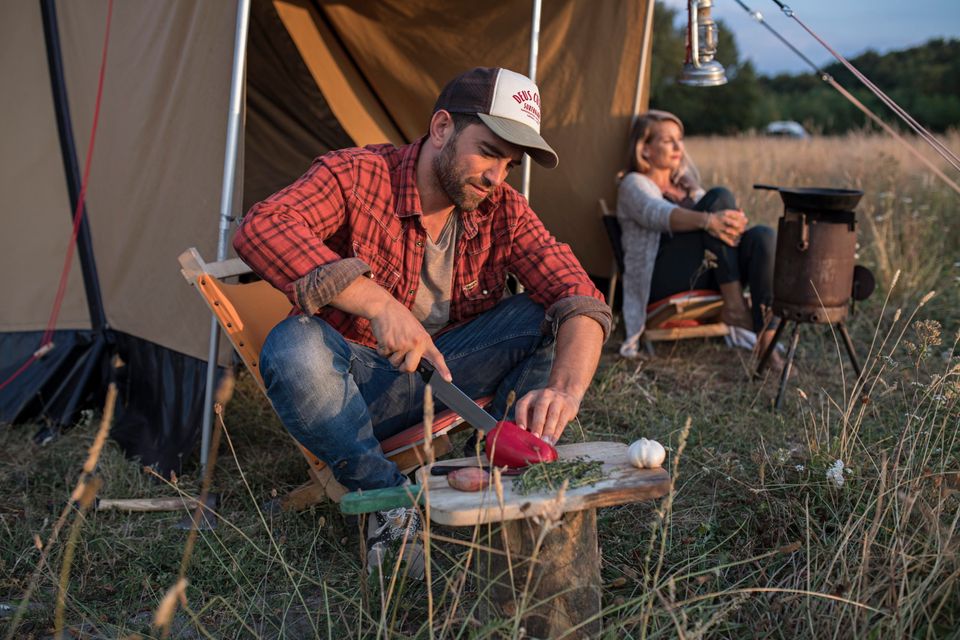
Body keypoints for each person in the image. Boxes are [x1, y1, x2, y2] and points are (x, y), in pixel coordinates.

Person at [233, 67, 610, 576]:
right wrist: (378, 303)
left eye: (509, 163)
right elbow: (262, 226)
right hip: (358, 388)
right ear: (441, 129)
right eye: (489, 151)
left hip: (447, 375)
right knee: (293, 347)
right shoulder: (358, 174)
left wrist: (565, 391)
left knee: (543, 314)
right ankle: (388, 499)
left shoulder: (504, 208)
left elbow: (579, 294)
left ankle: (500, 474)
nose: (496, 175)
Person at [615, 109, 778, 362]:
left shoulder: (686, 184)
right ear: (644, 148)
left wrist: (732, 221)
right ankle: (735, 305)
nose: (678, 146)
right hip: (661, 280)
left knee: (762, 236)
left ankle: (767, 341)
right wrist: (710, 220)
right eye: (668, 140)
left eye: (679, 139)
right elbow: (657, 213)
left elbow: (719, 223)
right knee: (719, 197)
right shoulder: (633, 184)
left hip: (708, 273)